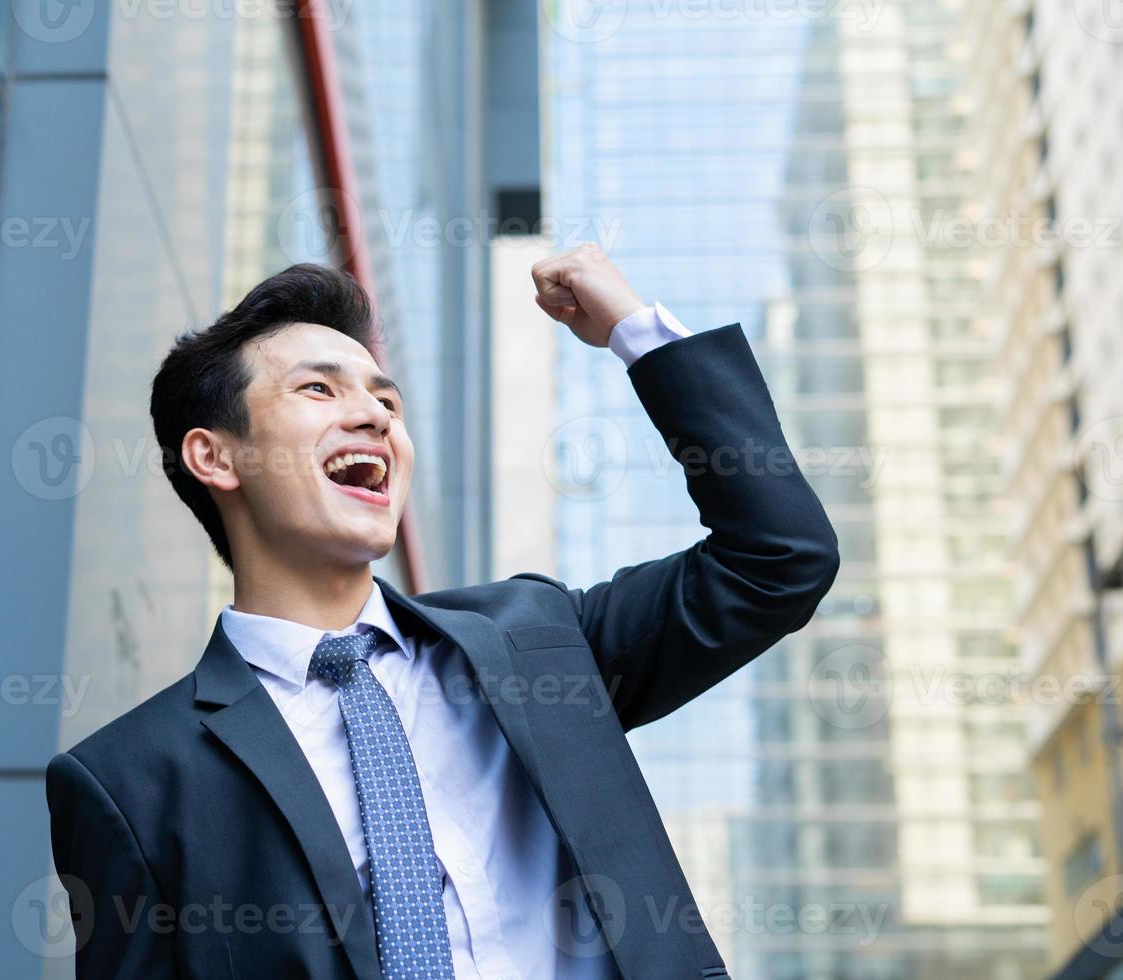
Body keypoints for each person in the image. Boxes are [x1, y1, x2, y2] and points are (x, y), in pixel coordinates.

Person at [46, 244, 840, 978]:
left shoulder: (536, 640)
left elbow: (778, 558)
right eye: (319, 388)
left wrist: (640, 334)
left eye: (385, 399)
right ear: (215, 456)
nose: (375, 416)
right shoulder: (130, 780)